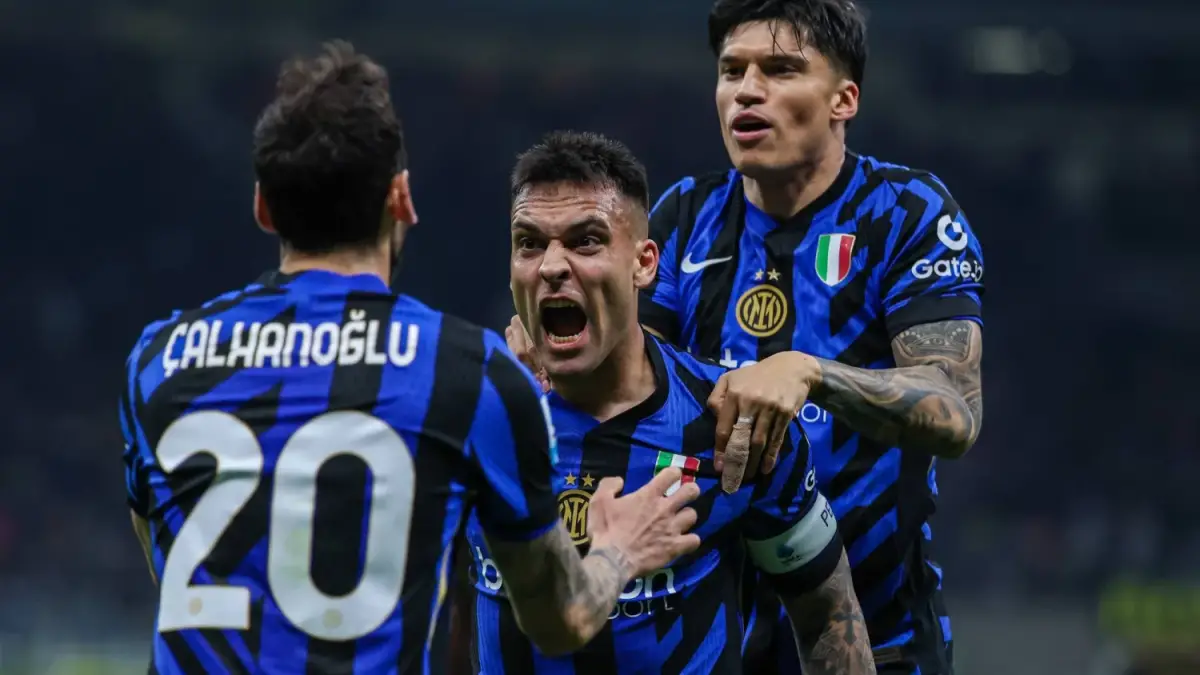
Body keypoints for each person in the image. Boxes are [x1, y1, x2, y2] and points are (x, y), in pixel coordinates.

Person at [118, 42, 702, 675]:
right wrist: (619, 550)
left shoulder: (158, 361)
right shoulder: (467, 372)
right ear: (401, 199)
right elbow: (561, 621)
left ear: (263, 207)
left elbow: (168, 561)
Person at [508, 2, 985, 673]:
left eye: (780, 69)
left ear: (844, 99)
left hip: (884, 633)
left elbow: (954, 411)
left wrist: (809, 373)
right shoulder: (685, 216)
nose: (747, 90)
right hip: (727, 627)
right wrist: (543, 346)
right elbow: (632, 390)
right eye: (732, 71)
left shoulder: (907, 213)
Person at [470, 130, 876, 675]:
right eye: (529, 243)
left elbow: (828, 617)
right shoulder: (473, 417)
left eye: (586, 241)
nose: (551, 266)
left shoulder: (729, 421)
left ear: (644, 264)